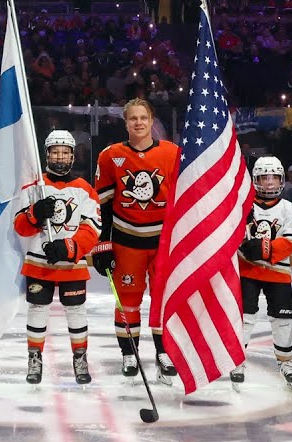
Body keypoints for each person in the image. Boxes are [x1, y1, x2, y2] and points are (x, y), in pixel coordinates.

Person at [91, 98, 182, 382]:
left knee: (163, 300)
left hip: (162, 244)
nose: (139, 123)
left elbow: (183, 199)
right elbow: (103, 205)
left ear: (152, 120)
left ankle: (163, 352)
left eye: (143, 118)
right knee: (127, 302)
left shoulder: (172, 153)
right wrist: (101, 243)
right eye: (133, 119)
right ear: (125, 122)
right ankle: (129, 354)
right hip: (126, 241)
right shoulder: (110, 155)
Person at [14, 130, 101, 386]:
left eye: (65, 152)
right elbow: (20, 226)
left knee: (76, 311)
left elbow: (92, 228)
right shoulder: (34, 187)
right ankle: (34, 357)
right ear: (47, 154)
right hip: (39, 263)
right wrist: (34, 214)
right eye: (55, 152)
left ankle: (80, 357)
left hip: (71, 265)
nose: (60, 157)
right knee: (37, 309)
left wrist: (69, 247)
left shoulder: (84, 189)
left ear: (73, 156)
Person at [231, 156, 292, 390]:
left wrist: (262, 248)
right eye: (264, 177)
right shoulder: (243, 206)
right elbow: (234, 235)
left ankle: (285, 361)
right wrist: (243, 243)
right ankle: (237, 360)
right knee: (245, 318)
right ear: (255, 179)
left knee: (283, 319)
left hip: (278, 273)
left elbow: (289, 244)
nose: (269, 183)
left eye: (274, 178)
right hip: (248, 272)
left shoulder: (290, 209)